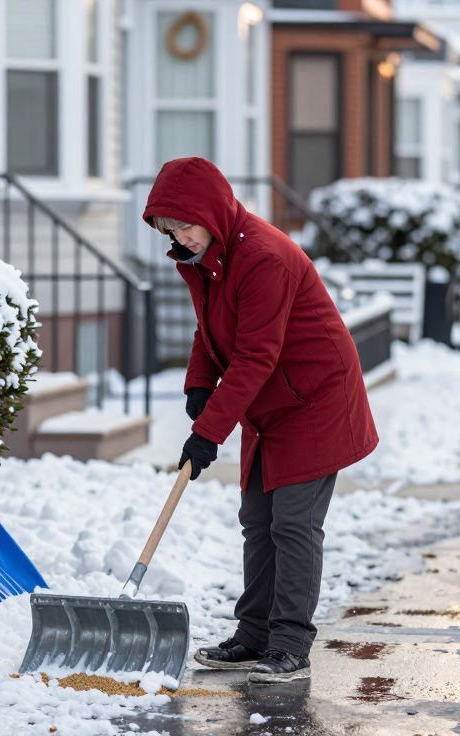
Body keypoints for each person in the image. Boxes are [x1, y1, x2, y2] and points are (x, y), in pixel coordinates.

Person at [143, 157, 379, 684]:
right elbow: (210, 331)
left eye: (183, 224)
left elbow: (255, 357)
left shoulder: (265, 257)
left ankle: (290, 644)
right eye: (167, 229)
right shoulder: (206, 256)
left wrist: (207, 435)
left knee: (293, 523)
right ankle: (253, 635)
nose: (177, 237)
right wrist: (199, 386)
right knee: (257, 520)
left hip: (315, 400)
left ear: (209, 211)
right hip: (269, 404)